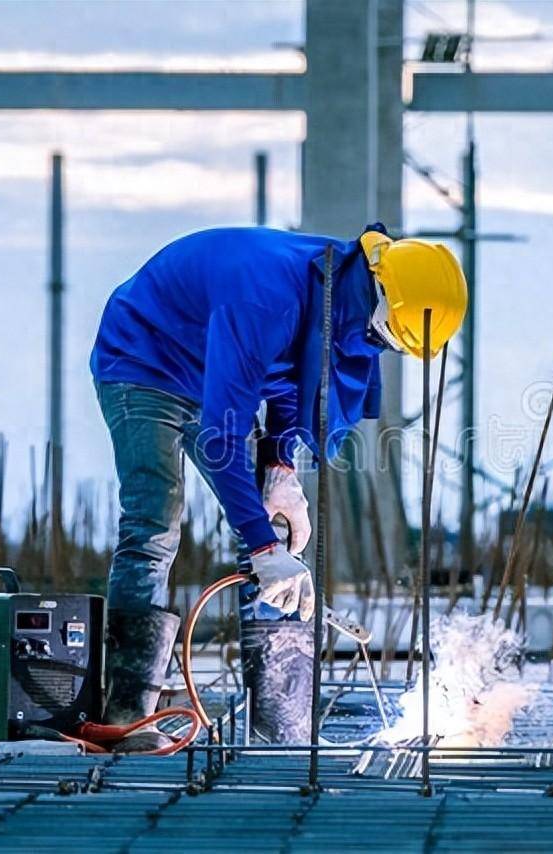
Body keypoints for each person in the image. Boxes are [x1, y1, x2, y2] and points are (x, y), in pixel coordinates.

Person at [89, 224, 467, 749]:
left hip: (216, 369)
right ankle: (126, 716)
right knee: (156, 520)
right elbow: (223, 432)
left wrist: (280, 470)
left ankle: (280, 732)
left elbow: (299, 375)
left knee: (267, 532)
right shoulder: (266, 298)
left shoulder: (336, 285)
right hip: (143, 358)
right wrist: (264, 548)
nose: (376, 348)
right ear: (378, 295)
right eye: (382, 338)